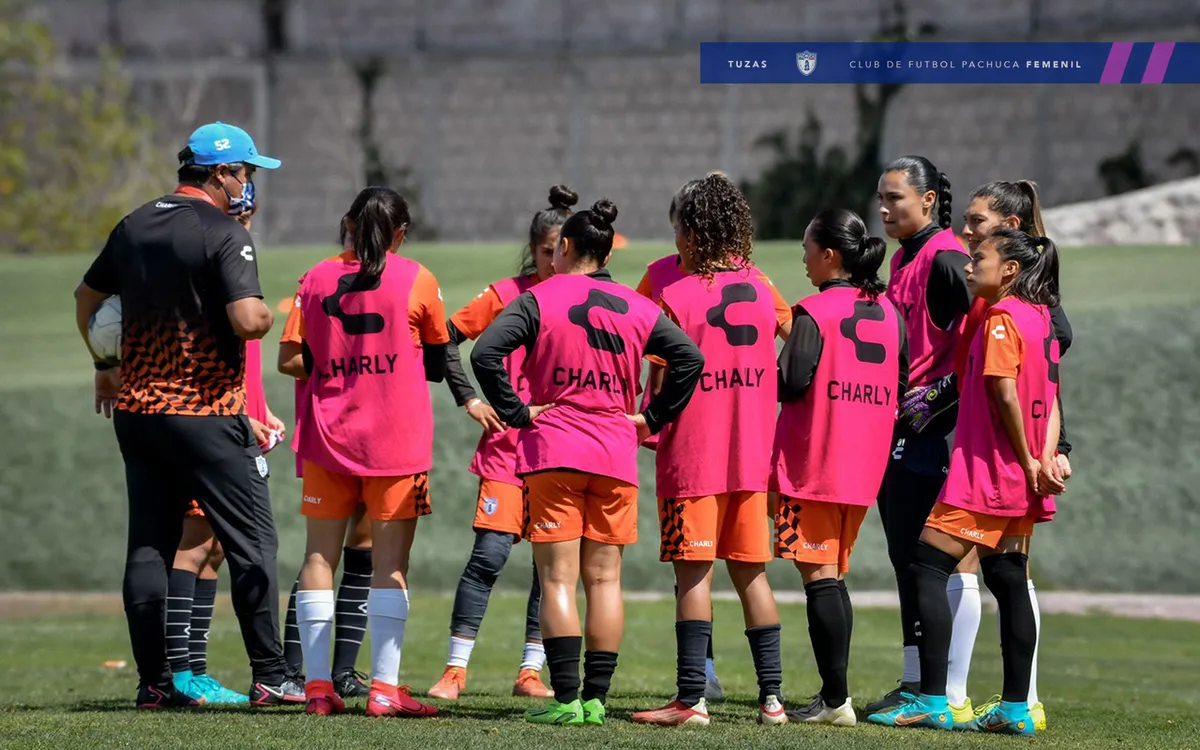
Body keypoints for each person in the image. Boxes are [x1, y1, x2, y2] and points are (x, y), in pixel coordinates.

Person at [74, 122, 301, 708]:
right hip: (204, 410)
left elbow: (87, 298)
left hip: (139, 411)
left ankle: (155, 683)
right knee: (253, 543)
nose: (248, 183)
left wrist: (105, 363)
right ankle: (273, 676)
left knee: (148, 546)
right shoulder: (224, 231)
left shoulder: (135, 223)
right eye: (245, 172)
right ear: (220, 174)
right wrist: (269, 316)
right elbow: (249, 320)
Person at [472, 199, 704, 727]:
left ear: (567, 249)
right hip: (615, 453)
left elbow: (486, 353)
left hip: (554, 449)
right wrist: (651, 417)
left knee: (557, 580)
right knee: (605, 582)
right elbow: (690, 358)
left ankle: (567, 700)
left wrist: (515, 411)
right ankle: (597, 700)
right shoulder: (637, 305)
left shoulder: (540, 296)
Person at [868, 229, 1066, 735]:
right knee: (1007, 576)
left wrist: (1024, 460)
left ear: (1011, 272)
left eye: (980, 257)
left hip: (989, 472)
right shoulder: (1040, 319)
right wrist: (1042, 462)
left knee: (926, 565)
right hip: (1022, 476)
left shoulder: (1001, 319)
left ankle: (934, 699)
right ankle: (1018, 710)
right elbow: (1053, 399)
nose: (970, 263)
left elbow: (1003, 392)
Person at [631, 173, 788, 728]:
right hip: (752, 456)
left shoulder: (671, 291)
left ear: (693, 231)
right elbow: (800, 340)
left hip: (693, 454)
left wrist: (643, 424)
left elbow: (644, 364)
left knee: (693, 578)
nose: (673, 239)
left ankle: (691, 700)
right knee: (753, 576)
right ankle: (773, 702)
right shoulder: (761, 285)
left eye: (677, 228)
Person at [286, 187, 447, 718]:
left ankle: (315, 688)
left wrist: (335, 367)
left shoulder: (314, 278)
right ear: (399, 232)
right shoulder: (416, 277)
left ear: (347, 224)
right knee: (390, 565)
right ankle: (383, 688)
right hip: (396, 443)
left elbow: (291, 359)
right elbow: (435, 356)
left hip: (328, 436)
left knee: (317, 557)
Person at [427, 186, 579, 700]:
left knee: (551, 568)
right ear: (535, 250)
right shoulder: (503, 296)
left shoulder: (583, 300)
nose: (554, 261)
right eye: (545, 251)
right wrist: (468, 398)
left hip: (560, 454)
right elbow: (444, 337)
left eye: (562, 250)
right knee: (488, 557)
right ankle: (455, 669)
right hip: (507, 453)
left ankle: (529, 672)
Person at [773, 209, 908, 727]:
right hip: (864, 463)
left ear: (829, 254)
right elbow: (901, 378)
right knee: (831, 575)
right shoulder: (888, 311)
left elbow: (792, 381)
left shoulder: (813, 311)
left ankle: (834, 702)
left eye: (807, 248)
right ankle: (837, 697)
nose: (803, 258)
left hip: (815, 461)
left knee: (818, 577)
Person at [865, 155, 972, 717]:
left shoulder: (947, 257)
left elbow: (998, 331)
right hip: (897, 431)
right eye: (880, 197)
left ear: (928, 201)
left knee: (929, 564)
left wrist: (943, 393)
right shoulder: (905, 257)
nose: (883, 208)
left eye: (895, 198)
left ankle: (942, 690)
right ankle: (917, 683)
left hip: (932, 436)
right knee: (905, 559)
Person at [279, 270, 374, 700]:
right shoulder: (318, 279)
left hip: (379, 434)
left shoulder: (398, 279)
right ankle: (295, 672)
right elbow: (287, 358)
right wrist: (342, 368)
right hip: (330, 433)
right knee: (320, 553)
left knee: (365, 548)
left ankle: (345, 673)